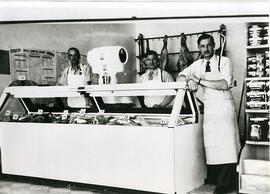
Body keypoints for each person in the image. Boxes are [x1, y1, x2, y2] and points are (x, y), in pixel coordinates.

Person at [177, 33, 240, 194]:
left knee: (228, 146)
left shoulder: (225, 61)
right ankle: (217, 181)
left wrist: (197, 80)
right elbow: (180, 76)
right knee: (213, 146)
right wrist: (187, 79)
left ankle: (225, 185)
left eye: (209, 45)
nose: (206, 49)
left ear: (214, 46)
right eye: (202, 46)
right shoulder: (197, 64)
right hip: (210, 109)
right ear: (199, 48)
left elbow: (224, 84)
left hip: (224, 107)